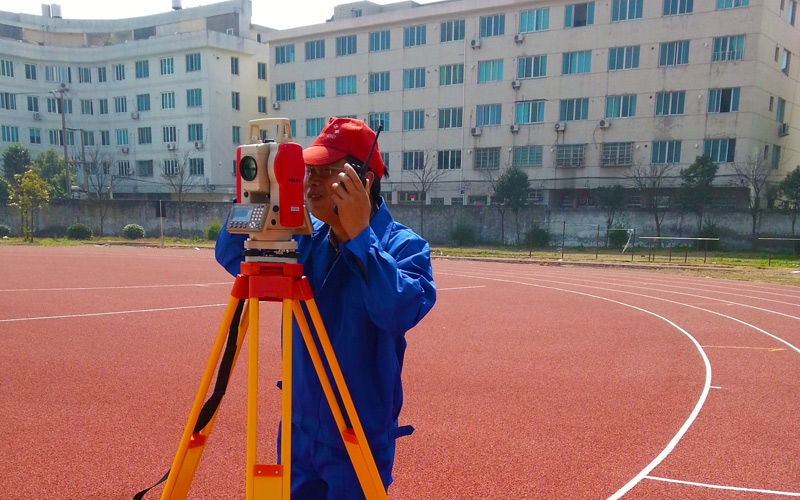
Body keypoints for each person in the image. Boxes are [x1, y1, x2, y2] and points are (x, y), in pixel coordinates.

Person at [215, 117, 437, 499]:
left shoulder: (404, 247)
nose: (311, 181)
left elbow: (397, 311)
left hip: (358, 438)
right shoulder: (304, 239)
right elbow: (232, 255)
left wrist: (362, 239)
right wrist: (259, 195)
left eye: (326, 170)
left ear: (363, 180)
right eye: (309, 170)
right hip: (300, 433)